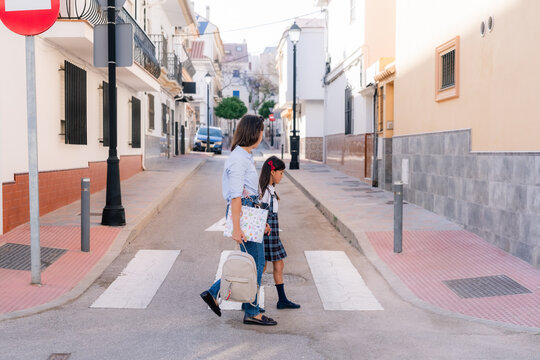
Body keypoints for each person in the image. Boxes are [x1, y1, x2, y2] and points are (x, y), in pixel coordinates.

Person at [200, 114, 277, 326]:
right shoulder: (238, 159)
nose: (262, 134)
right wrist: (236, 227)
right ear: (254, 132)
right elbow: (236, 195)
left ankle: (222, 295)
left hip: (250, 213)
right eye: (261, 130)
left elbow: (248, 193)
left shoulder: (244, 156)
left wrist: (261, 221)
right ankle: (251, 311)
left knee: (254, 262)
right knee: (256, 263)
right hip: (243, 213)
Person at [259, 156, 300, 309]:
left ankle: (282, 300)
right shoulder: (265, 192)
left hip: (273, 234)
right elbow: (261, 213)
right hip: (267, 233)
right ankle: (250, 300)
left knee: (279, 264)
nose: (282, 176)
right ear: (272, 172)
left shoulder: (271, 189)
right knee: (261, 267)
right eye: (280, 172)